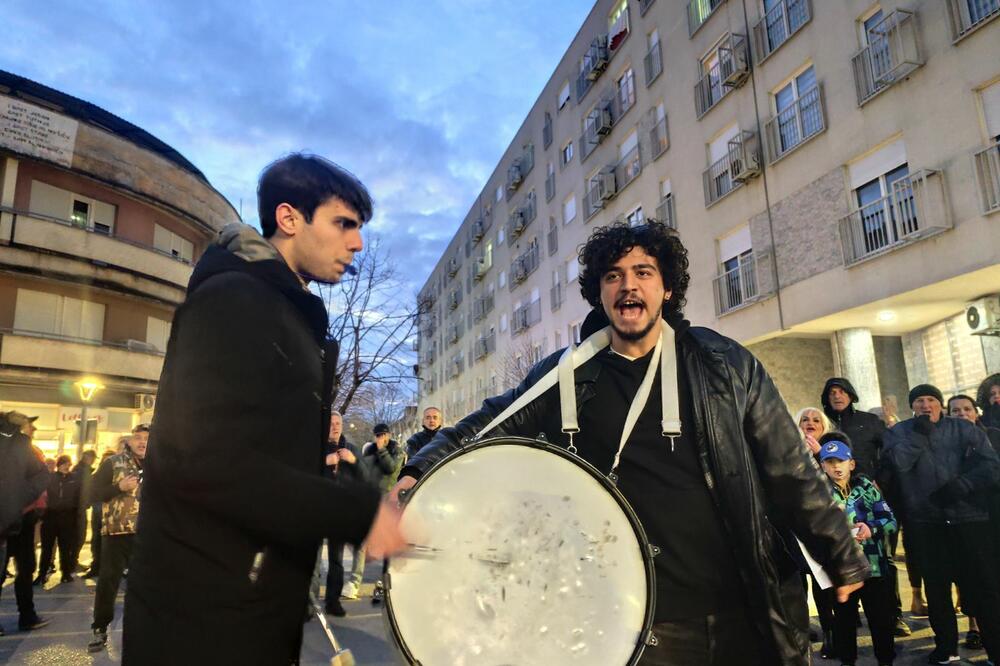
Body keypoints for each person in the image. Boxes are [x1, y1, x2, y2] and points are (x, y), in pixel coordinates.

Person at [393, 221, 868, 665]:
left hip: (740, 607)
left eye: (643, 272)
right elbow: (483, 427)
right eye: (613, 275)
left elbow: (789, 467)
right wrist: (418, 470)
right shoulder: (566, 376)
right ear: (599, 294)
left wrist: (840, 552)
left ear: (667, 288)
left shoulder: (724, 364)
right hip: (630, 622)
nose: (628, 285)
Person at [122, 153, 407, 665]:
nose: (357, 244)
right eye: (343, 224)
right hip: (203, 624)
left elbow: (275, 455)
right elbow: (206, 462)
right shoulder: (233, 299)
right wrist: (357, 512)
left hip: (249, 609)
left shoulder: (289, 316)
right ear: (289, 218)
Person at [880, 384, 1000, 665]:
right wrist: (919, 435)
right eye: (919, 401)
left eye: (931, 400)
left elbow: (991, 465)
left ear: (940, 404)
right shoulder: (899, 433)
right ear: (912, 406)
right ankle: (946, 648)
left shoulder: (963, 429)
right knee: (936, 590)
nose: (926, 405)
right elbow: (898, 463)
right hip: (926, 522)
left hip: (969, 519)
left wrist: (965, 484)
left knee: (982, 588)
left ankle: (995, 648)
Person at [821, 378, 910, 636]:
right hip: (834, 502)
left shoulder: (869, 422)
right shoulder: (823, 423)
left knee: (885, 561)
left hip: (869, 499)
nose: (837, 396)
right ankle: (845, 618)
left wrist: (880, 481)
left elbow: (889, 455)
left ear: (851, 395)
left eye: (842, 391)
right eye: (832, 392)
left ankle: (893, 614)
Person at [819, 436, 897, 666]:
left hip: (874, 567)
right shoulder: (819, 493)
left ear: (851, 463)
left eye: (840, 461)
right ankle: (847, 661)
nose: (836, 466)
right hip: (842, 570)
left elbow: (890, 521)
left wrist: (871, 528)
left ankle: (886, 661)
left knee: (881, 621)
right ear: (822, 466)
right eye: (830, 462)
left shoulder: (866, 488)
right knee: (844, 622)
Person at [88, 424, 148, 653]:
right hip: (117, 532)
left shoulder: (159, 464)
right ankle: (100, 628)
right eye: (138, 437)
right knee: (108, 582)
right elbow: (92, 492)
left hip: (148, 534)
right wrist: (118, 487)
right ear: (130, 441)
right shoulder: (113, 463)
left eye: (147, 438)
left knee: (146, 583)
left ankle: (144, 629)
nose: (142, 442)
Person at [947, 393, 1000, 652]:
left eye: (967, 409)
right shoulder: (944, 444)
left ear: (976, 412)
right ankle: (976, 627)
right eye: (955, 410)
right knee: (972, 579)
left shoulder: (994, 436)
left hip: (994, 514)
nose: (962, 414)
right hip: (965, 521)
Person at [0, 411, 50, 636]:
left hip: (22, 518)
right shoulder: (22, 448)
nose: (34, 430)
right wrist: (21, 498)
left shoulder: (25, 448)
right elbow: (39, 478)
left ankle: (28, 616)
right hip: (15, 516)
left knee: (25, 568)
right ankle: (27, 616)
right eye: (31, 426)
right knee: (17, 570)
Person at [793, 407, 836, 657]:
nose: (810, 423)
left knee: (824, 585)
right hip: (792, 527)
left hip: (820, 526)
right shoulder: (785, 450)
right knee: (797, 583)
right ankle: (801, 630)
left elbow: (838, 481)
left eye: (816, 420)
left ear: (824, 427)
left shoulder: (832, 449)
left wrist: (821, 455)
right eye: (805, 419)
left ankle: (830, 633)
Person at [320, 410, 368, 617]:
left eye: (338, 423)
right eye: (331, 423)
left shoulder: (351, 449)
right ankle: (308, 604)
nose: (335, 427)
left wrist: (353, 461)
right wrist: (324, 461)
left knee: (336, 560)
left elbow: (366, 476)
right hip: (316, 507)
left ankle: (333, 602)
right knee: (312, 560)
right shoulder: (316, 448)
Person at [360, 423, 405, 605]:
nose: (381, 438)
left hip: (389, 501)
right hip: (372, 498)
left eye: (384, 435)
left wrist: (382, 450)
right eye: (378, 435)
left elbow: (391, 468)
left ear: (389, 435)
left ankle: (386, 583)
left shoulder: (396, 450)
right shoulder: (369, 451)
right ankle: (371, 583)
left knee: (389, 545)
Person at [35, 454, 81, 584]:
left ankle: (65, 574)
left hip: (67, 518)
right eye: (64, 463)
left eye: (68, 464)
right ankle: (42, 574)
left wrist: (76, 515)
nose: (67, 466)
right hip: (50, 517)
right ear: (59, 465)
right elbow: (42, 496)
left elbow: (78, 497)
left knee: (65, 548)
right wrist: (42, 514)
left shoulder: (74, 479)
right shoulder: (50, 478)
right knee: (46, 548)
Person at [84, 449, 118, 578]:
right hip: (99, 508)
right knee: (97, 539)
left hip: (113, 511)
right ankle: (96, 565)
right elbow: (92, 490)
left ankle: (108, 567)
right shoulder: (96, 475)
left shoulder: (119, 475)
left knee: (110, 541)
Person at [72, 450, 97, 572]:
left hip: (80, 507)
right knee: (79, 536)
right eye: (92, 457)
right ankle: (72, 562)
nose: (93, 460)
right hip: (78, 508)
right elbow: (82, 490)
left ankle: (72, 562)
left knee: (79, 536)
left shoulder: (81, 470)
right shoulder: (82, 471)